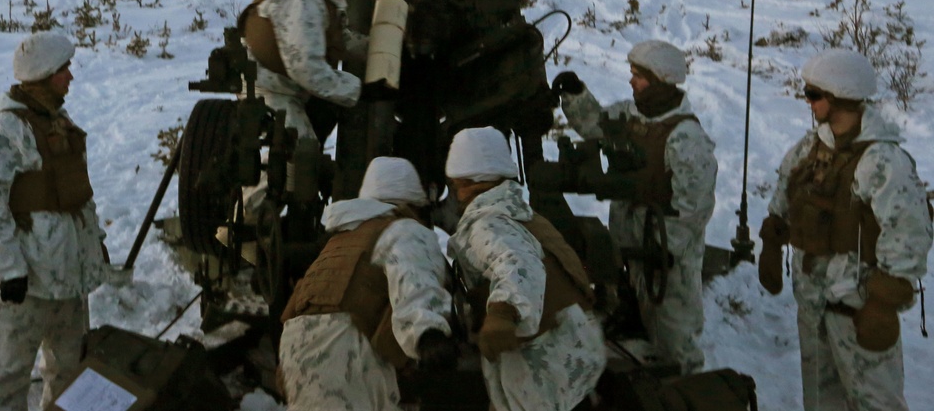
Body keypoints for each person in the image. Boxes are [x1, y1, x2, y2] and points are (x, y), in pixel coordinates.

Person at [759, 49, 932, 411]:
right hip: (813, 301)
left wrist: (883, 302)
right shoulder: (810, 147)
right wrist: (773, 243)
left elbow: (909, 232)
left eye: (813, 95)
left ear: (837, 98)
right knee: (821, 398)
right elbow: (785, 194)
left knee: (875, 401)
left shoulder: (882, 161)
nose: (808, 102)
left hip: (857, 306)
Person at [554, 39, 717, 374]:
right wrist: (575, 94)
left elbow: (694, 209)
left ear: (660, 80)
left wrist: (663, 247)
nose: (632, 81)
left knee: (674, 338)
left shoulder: (685, 137)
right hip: (631, 249)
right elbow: (596, 124)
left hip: (667, 259)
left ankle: (688, 393)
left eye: (639, 76)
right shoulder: (630, 115)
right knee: (639, 334)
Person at [0, 32, 108, 411]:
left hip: (68, 280)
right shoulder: (5, 131)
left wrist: (93, 241)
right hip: (28, 285)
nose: (71, 77)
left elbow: (78, 193)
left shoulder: (58, 122)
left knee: (71, 375)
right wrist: (9, 270)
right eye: (64, 69)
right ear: (45, 74)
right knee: (8, 378)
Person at [446, 126, 605, 411]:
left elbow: (518, 262)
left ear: (463, 181)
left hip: (542, 364)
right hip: (572, 348)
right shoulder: (522, 215)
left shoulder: (487, 223)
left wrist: (503, 313)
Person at [278, 156, 455, 410]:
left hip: (296, 350)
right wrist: (428, 333)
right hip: (343, 348)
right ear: (413, 203)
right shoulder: (403, 228)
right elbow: (412, 278)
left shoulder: (341, 239)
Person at [238, 0, 380, 145]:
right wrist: (361, 91)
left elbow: (334, 39)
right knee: (298, 160)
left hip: (286, 86)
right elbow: (306, 68)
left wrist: (376, 49)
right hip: (271, 90)